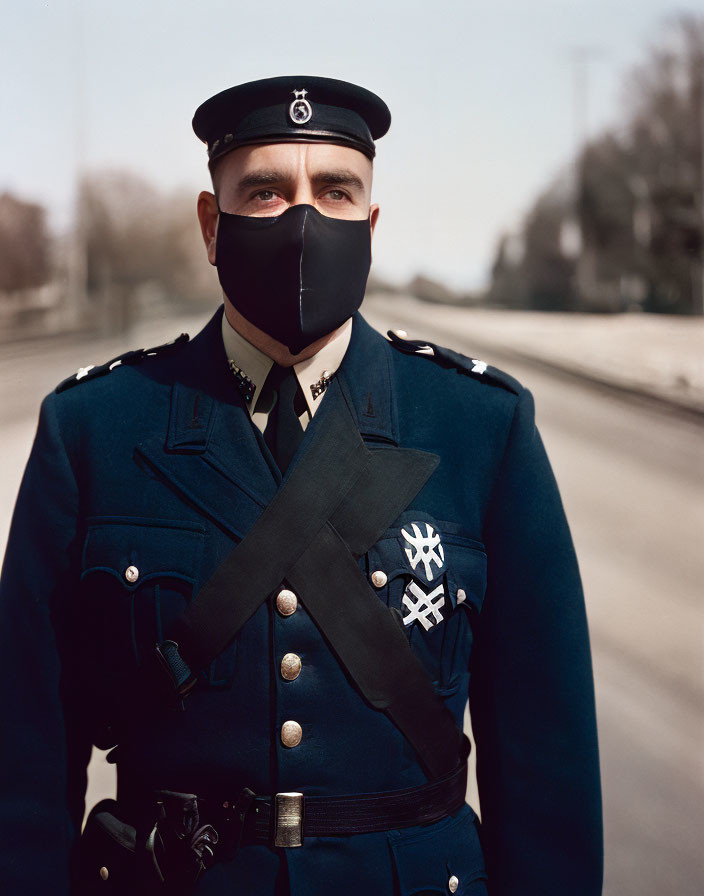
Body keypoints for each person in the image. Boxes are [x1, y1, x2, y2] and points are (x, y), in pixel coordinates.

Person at [0, 75, 603, 895]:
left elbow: (547, 775)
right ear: (213, 226)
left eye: (336, 191)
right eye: (265, 191)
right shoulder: (96, 431)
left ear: (371, 224)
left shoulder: (480, 429)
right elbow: (23, 767)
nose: (303, 219)